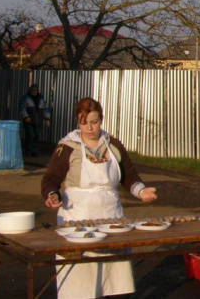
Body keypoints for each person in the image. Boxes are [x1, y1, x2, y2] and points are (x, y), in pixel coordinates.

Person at [41, 97, 158, 299]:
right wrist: (52, 195)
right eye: (84, 122)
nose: (89, 128)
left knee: (116, 279)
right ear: (78, 122)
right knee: (81, 283)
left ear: (101, 120)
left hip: (112, 218)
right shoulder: (68, 147)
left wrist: (141, 191)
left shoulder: (114, 145)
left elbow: (129, 176)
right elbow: (51, 178)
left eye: (94, 122)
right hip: (78, 218)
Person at [18, 83, 51, 156]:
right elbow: (22, 108)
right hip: (29, 121)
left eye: (35, 90)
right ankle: (28, 151)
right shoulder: (26, 98)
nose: (34, 91)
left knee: (37, 136)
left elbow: (46, 109)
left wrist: (47, 118)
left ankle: (35, 151)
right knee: (30, 135)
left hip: (38, 121)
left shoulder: (41, 99)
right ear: (30, 90)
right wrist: (26, 117)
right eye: (32, 90)